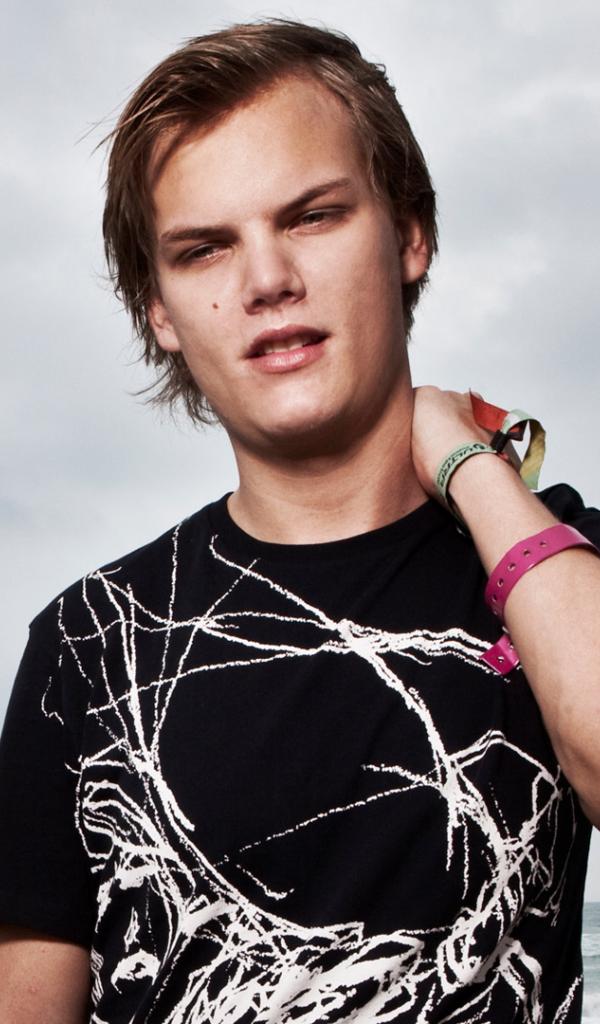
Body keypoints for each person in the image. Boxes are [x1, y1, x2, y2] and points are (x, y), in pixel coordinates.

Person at [1, 18, 599, 1024]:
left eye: (313, 216)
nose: (267, 280)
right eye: (204, 249)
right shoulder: (90, 644)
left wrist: (465, 461)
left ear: (408, 234)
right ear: (159, 310)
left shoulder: (552, 566)